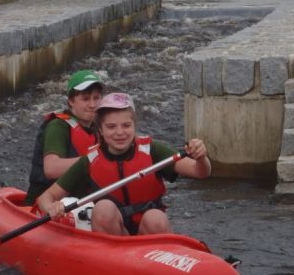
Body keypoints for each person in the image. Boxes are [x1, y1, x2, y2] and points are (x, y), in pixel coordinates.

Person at [36, 91, 211, 236]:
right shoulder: (89, 161)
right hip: (115, 236)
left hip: (149, 236)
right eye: (111, 127)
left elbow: (201, 172)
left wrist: (201, 157)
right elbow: (45, 197)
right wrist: (52, 207)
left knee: (155, 218)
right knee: (103, 209)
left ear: (134, 126)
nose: (120, 132)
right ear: (101, 131)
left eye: (126, 125)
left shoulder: (151, 150)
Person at [24, 69, 105, 204]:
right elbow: (51, 169)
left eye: (96, 98)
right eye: (85, 99)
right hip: (46, 204)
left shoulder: (101, 128)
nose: (92, 105)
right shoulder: (58, 126)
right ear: (71, 101)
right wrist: (93, 159)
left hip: (79, 201)